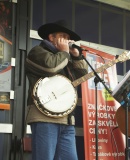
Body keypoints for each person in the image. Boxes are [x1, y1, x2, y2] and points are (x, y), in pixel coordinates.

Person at [25, 20, 88, 160]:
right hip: (44, 117)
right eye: (62, 36)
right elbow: (51, 67)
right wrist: (65, 52)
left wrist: (76, 56)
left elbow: (83, 75)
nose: (66, 40)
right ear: (51, 37)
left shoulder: (65, 57)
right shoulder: (37, 51)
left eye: (67, 37)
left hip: (66, 120)